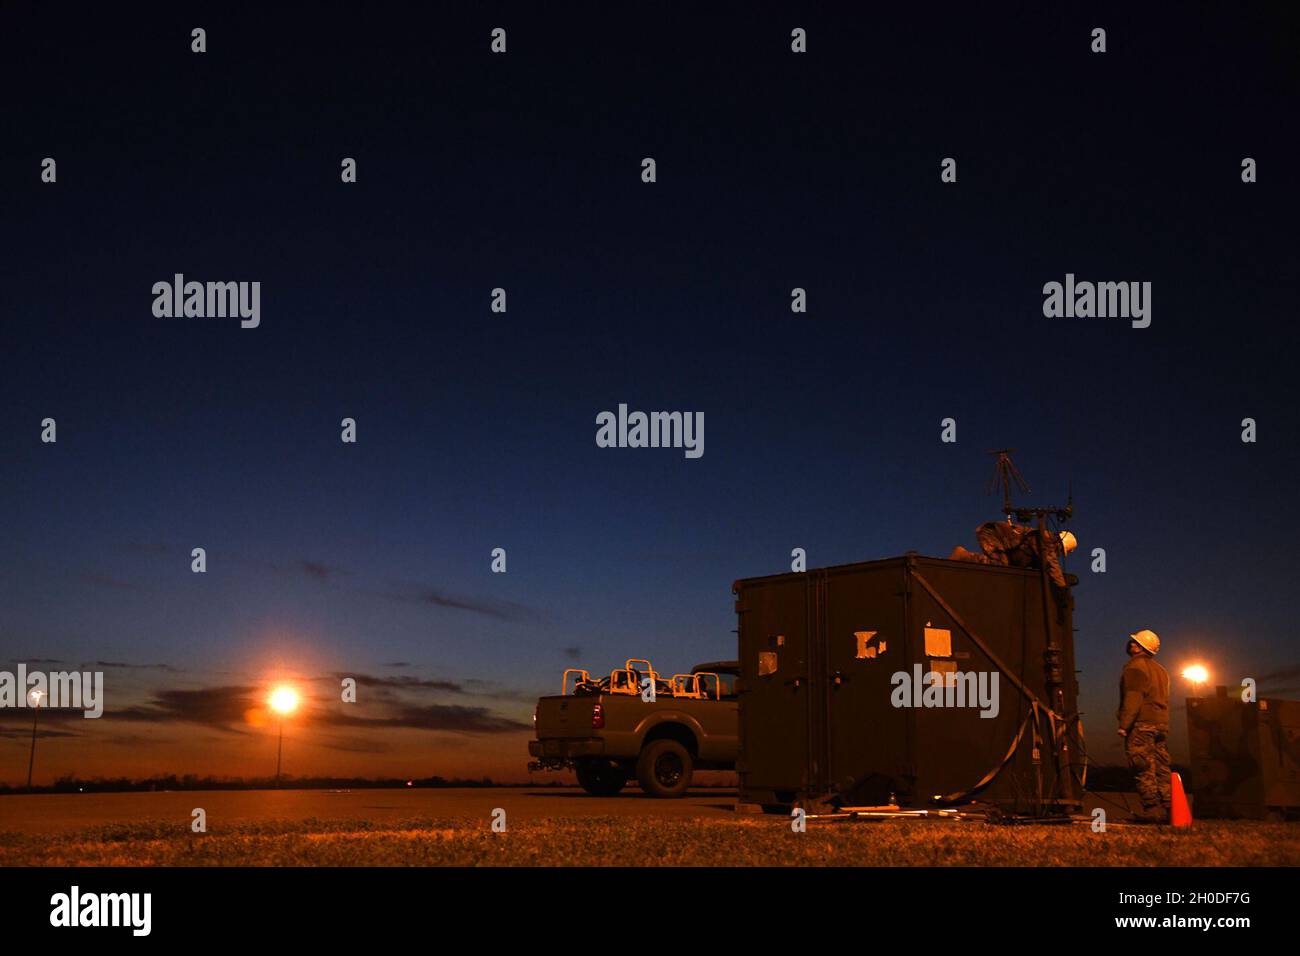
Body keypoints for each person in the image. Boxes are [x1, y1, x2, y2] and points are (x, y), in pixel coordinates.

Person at [1117, 629, 1172, 823]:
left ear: (1140, 647)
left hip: (1141, 725)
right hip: (1161, 725)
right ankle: (1170, 808)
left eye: (1135, 642)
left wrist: (1124, 724)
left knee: (1142, 767)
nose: (1130, 644)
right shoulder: (1161, 670)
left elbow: (1134, 697)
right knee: (1161, 767)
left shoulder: (1135, 667)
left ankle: (1152, 810)